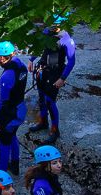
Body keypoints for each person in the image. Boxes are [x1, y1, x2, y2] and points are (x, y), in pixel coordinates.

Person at [28, 16, 76, 144]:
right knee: (41, 98)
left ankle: (55, 131)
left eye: (56, 26)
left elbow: (71, 61)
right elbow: (39, 46)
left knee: (50, 101)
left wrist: (62, 78)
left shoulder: (66, 40)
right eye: (51, 25)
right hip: (43, 70)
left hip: (56, 72)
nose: (52, 28)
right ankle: (43, 122)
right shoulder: (46, 32)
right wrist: (31, 60)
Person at [0, 41, 28, 175]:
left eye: (0, 57)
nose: (0, 60)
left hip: (9, 114)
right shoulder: (21, 65)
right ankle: (15, 166)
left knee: (3, 141)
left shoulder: (6, 77)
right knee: (12, 136)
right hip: (20, 108)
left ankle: (1, 174)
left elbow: (2, 102)